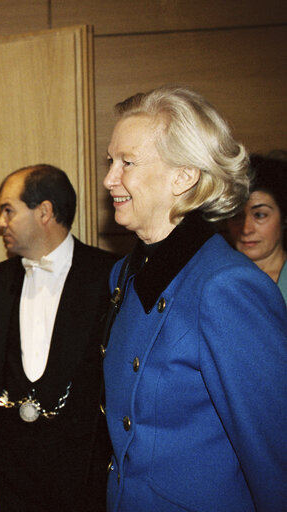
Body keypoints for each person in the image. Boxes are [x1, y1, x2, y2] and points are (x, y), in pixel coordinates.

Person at [102, 85, 287, 511]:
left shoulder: (226, 287)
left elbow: (273, 456)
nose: (110, 178)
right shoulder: (125, 274)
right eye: (110, 162)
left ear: (183, 176)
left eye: (126, 162)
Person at [0, 164, 117, 511]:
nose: (0, 224)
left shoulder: (109, 274)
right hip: (12, 465)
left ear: (45, 211)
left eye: (8, 210)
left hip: (84, 463)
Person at [227, 154, 287, 302]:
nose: (246, 229)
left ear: (284, 217)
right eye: (236, 216)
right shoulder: (217, 277)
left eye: (260, 215)